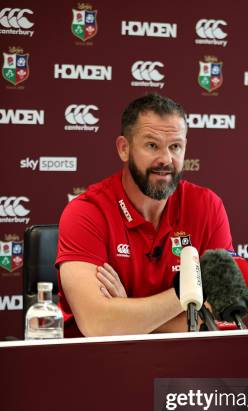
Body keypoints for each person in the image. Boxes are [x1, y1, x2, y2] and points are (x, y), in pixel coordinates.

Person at [56, 93, 234, 337]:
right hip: (99, 364)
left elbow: (222, 313)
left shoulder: (208, 206)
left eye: (175, 147)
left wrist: (126, 312)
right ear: (124, 148)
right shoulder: (86, 212)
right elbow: (98, 324)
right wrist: (190, 291)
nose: (165, 159)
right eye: (152, 145)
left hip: (184, 366)